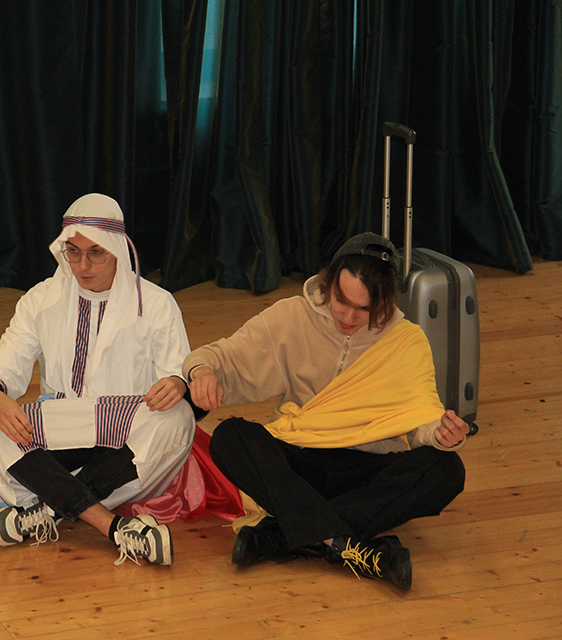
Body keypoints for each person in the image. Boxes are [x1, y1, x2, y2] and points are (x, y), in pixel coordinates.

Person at [184, 232, 468, 590]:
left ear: (385, 301)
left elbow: (420, 420)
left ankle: (285, 535)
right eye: (341, 300)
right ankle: (346, 545)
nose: (348, 316)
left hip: (365, 468)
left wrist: (441, 434)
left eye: (364, 309)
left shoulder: (406, 340)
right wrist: (201, 371)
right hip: (300, 460)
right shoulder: (292, 316)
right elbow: (219, 358)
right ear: (328, 282)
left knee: (447, 469)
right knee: (230, 436)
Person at [0, 193, 196, 566]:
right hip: (63, 424)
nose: (82, 265)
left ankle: (46, 511)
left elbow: (181, 377)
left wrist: (178, 384)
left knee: (178, 419)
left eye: (95, 253)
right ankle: (112, 526)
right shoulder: (40, 299)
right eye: (73, 252)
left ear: (117, 249)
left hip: (125, 435)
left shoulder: (156, 303)